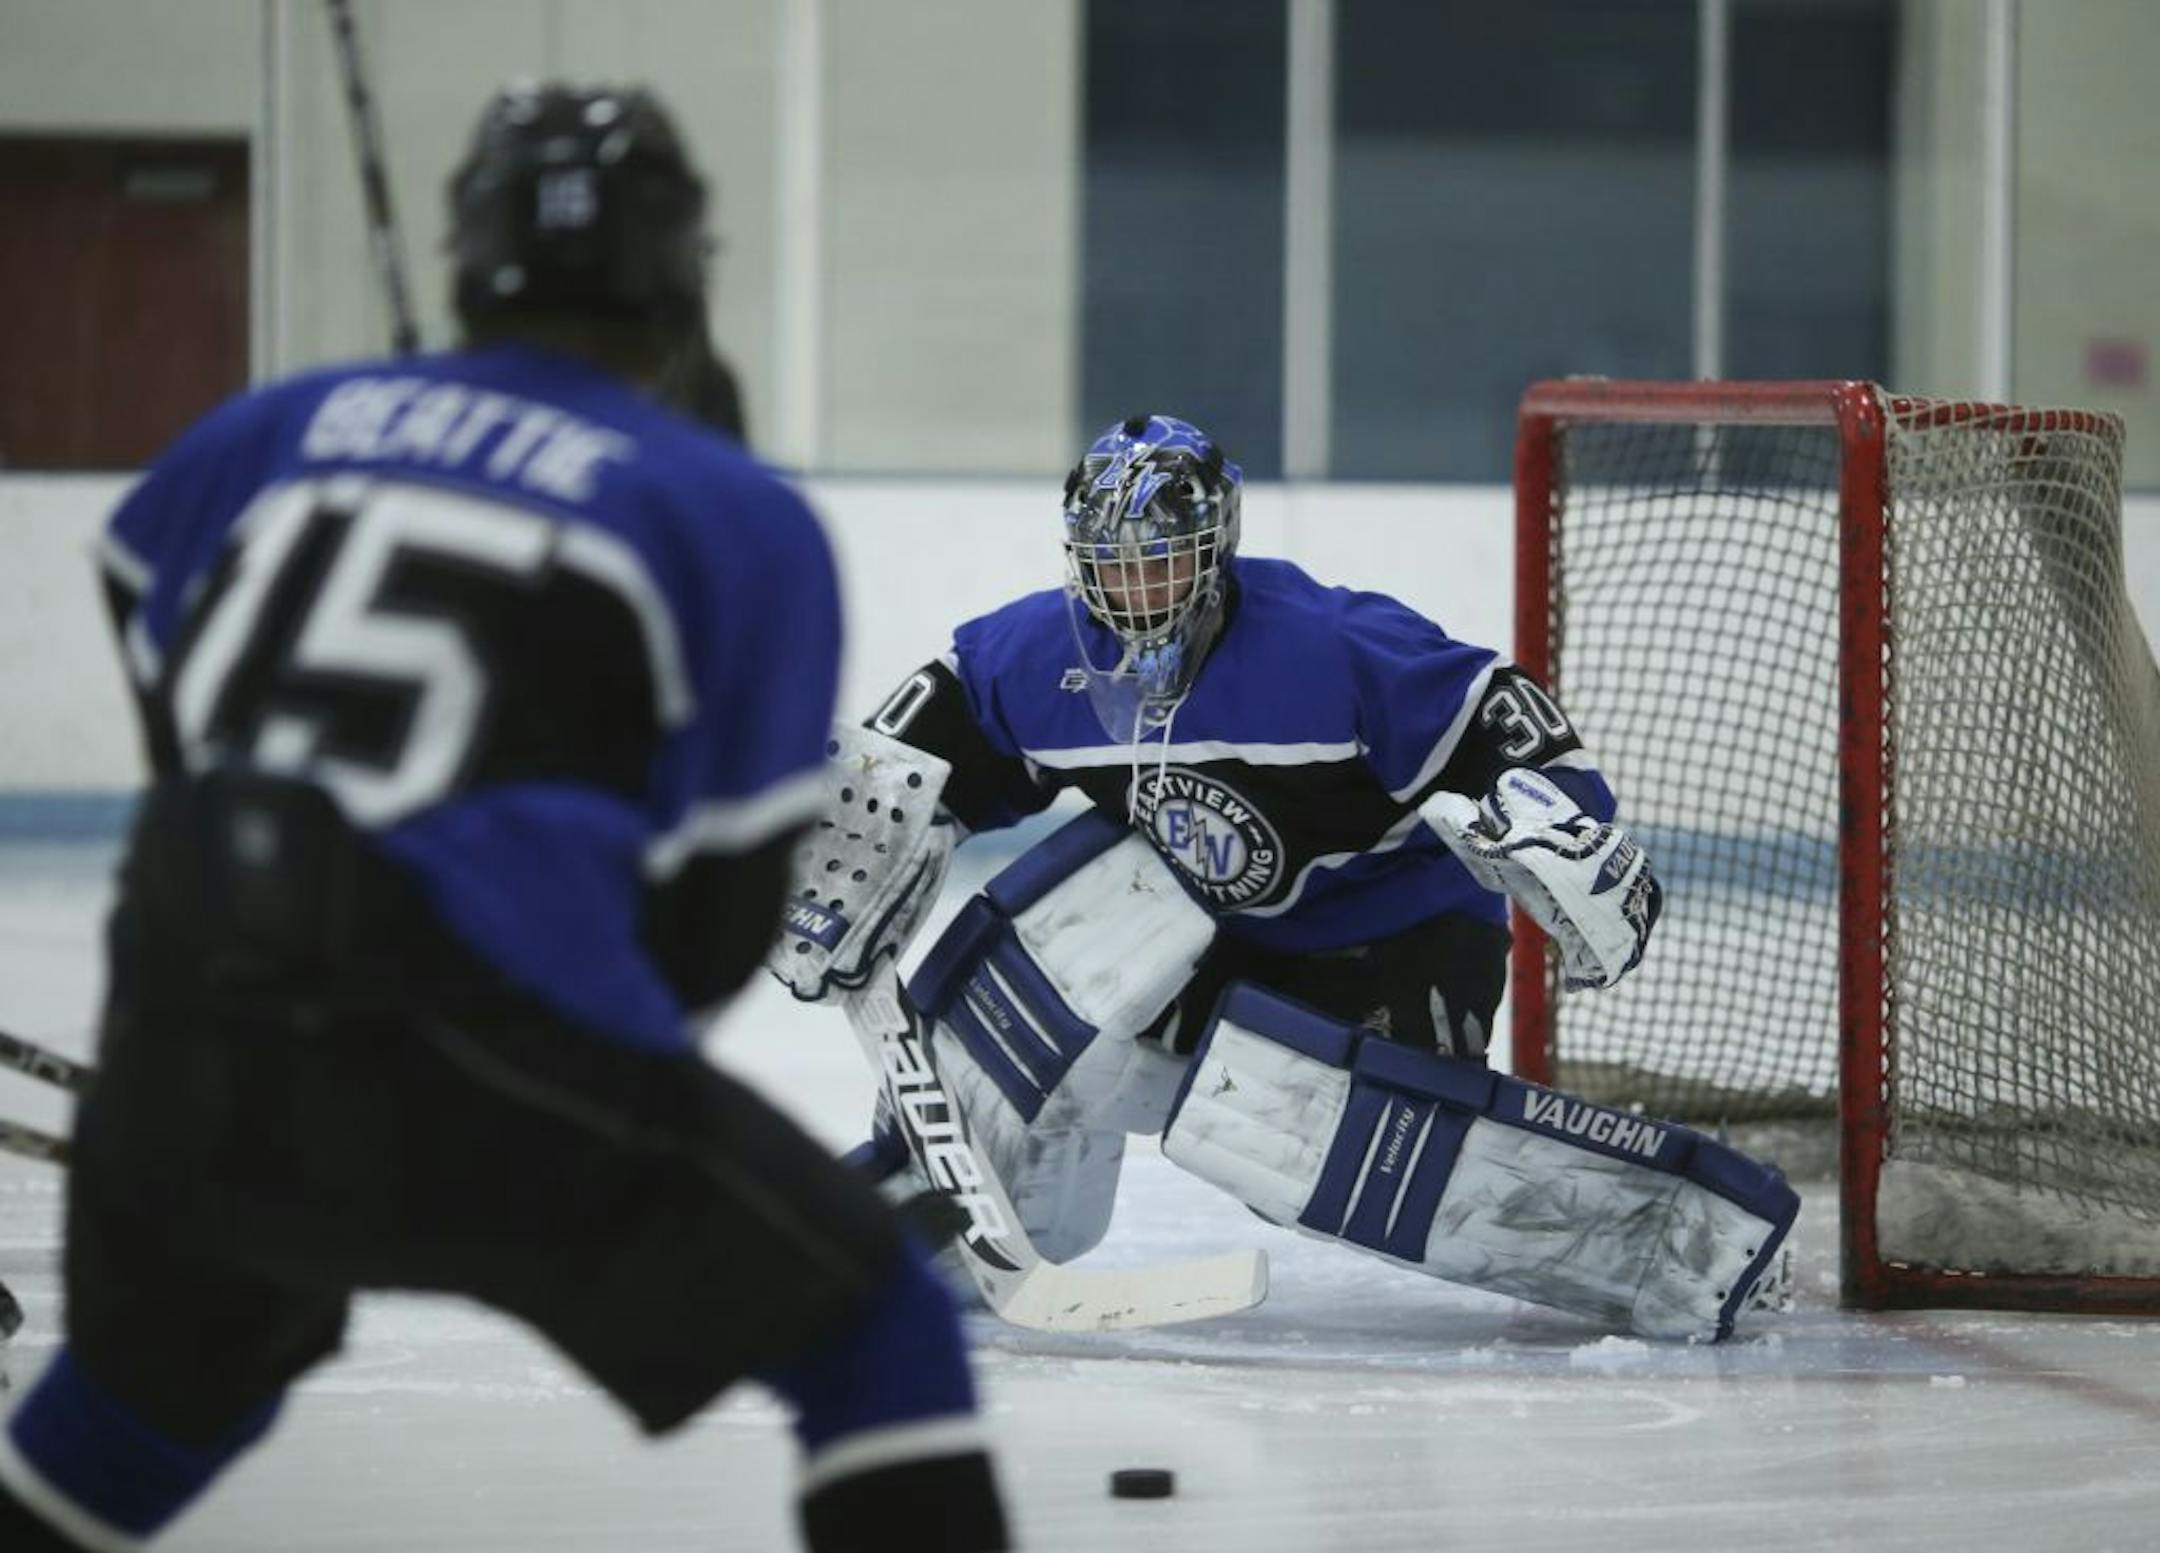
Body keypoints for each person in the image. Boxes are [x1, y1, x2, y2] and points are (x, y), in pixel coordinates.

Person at [0, 83, 1007, 1553]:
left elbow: (139, 589)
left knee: (147, 1400)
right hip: (486, 1031)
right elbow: (712, 923)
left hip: (185, 1013)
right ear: (682, 275)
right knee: (877, 1334)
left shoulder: (270, 430)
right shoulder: (732, 512)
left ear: (473, 261)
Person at [773, 413, 1796, 1343]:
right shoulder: (1038, 655)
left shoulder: (1328, 645)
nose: (1135, 596)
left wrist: (1564, 820)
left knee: (1270, 1125)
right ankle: (946, 1216)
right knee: (1067, 932)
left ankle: (1678, 1240)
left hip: (1397, 937)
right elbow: (921, 742)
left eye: (1161, 566)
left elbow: (1497, 708)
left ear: (1216, 552)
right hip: (1218, 935)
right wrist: (836, 849)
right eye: (1110, 568)